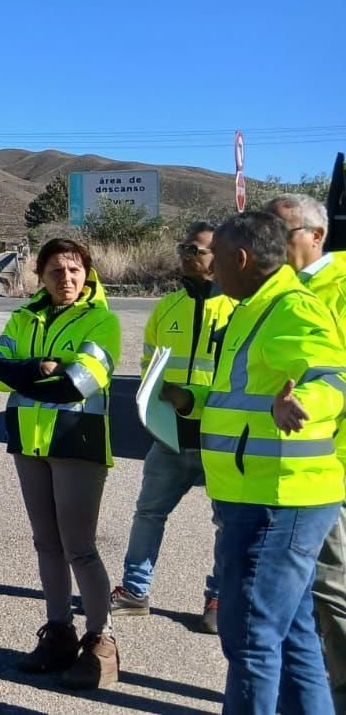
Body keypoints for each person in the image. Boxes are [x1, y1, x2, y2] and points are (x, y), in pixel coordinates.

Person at [160, 211, 346, 713]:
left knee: (250, 641)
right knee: (293, 636)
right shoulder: (251, 308)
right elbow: (242, 396)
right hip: (262, 496)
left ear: (240, 259)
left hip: (277, 501)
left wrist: (302, 403)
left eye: (215, 258)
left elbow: (331, 378)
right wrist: (190, 399)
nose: (209, 268)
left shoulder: (291, 309)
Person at [0, 238, 122, 689]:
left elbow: (77, 385)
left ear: (88, 275)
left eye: (75, 270)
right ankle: (58, 631)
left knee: (79, 546)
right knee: (46, 543)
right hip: (29, 442)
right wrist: (36, 368)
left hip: (76, 443)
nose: (67, 279)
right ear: (40, 276)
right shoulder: (23, 317)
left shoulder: (102, 321)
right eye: (57, 271)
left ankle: (100, 640)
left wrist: (31, 373)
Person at [111, 222, 233, 633]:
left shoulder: (241, 310)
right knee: (148, 513)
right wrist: (156, 405)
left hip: (223, 437)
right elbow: (150, 368)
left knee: (227, 524)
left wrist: (193, 399)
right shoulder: (167, 307)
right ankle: (134, 591)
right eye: (183, 247)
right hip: (170, 436)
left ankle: (219, 599)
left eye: (196, 249)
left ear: (221, 255)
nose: (186, 254)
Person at [266, 193, 346, 708]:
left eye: (282, 232)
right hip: (280, 467)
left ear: (316, 235)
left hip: (328, 465)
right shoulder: (275, 288)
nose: (270, 242)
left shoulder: (338, 287)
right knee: (293, 595)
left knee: (329, 586)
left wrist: (309, 404)